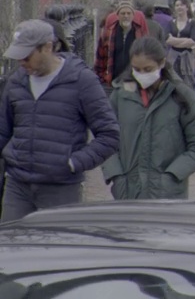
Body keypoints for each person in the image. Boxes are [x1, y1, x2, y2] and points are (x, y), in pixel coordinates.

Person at [0, 19, 120, 221]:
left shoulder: (81, 80)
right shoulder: (16, 82)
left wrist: (73, 163)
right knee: (11, 248)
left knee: (56, 249)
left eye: (27, 56)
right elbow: (3, 131)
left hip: (60, 188)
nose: (22, 62)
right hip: (17, 185)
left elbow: (109, 135)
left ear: (47, 47)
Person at [101, 37, 195, 199]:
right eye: (136, 69)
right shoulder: (120, 96)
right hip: (128, 192)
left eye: (148, 69)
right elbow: (105, 140)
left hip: (167, 194)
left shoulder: (182, 96)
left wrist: (171, 176)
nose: (142, 74)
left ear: (162, 63)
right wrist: (116, 176)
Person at [94, 0, 149, 89]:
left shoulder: (140, 34)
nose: (126, 16)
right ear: (118, 15)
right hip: (112, 82)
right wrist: (101, 78)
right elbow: (100, 58)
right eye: (123, 13)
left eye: (128, 13)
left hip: (134, 82)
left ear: (133, 15)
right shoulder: (107, 33)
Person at [165, 0, 195, 88]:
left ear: (187, 7)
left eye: (181, 5)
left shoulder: (193, 23)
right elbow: (168, 40)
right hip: (173, 57)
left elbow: (192, 41)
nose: (179, 7)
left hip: (187, 57)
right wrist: (184, 40)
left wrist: (175, 41)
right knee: (172, 81)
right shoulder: (171, 23)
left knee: (187, 84)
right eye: (177, 5)